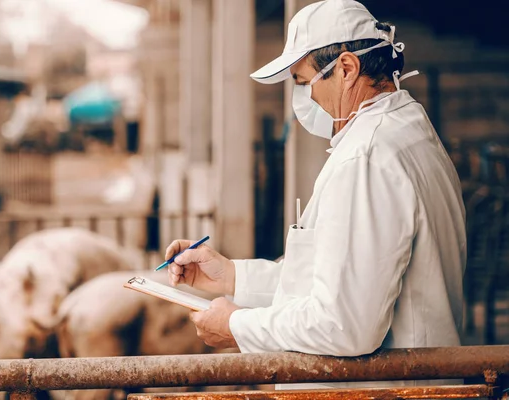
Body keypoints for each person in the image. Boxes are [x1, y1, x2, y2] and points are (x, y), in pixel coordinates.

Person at [165, 0, 466, 390]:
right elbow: (338, 277)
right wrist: (233, 277)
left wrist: (236, 326)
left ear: (346, 69)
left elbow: (343, 325)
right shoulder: (406, 129)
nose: (302, 100)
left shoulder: (366, 157)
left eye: (303, 82)